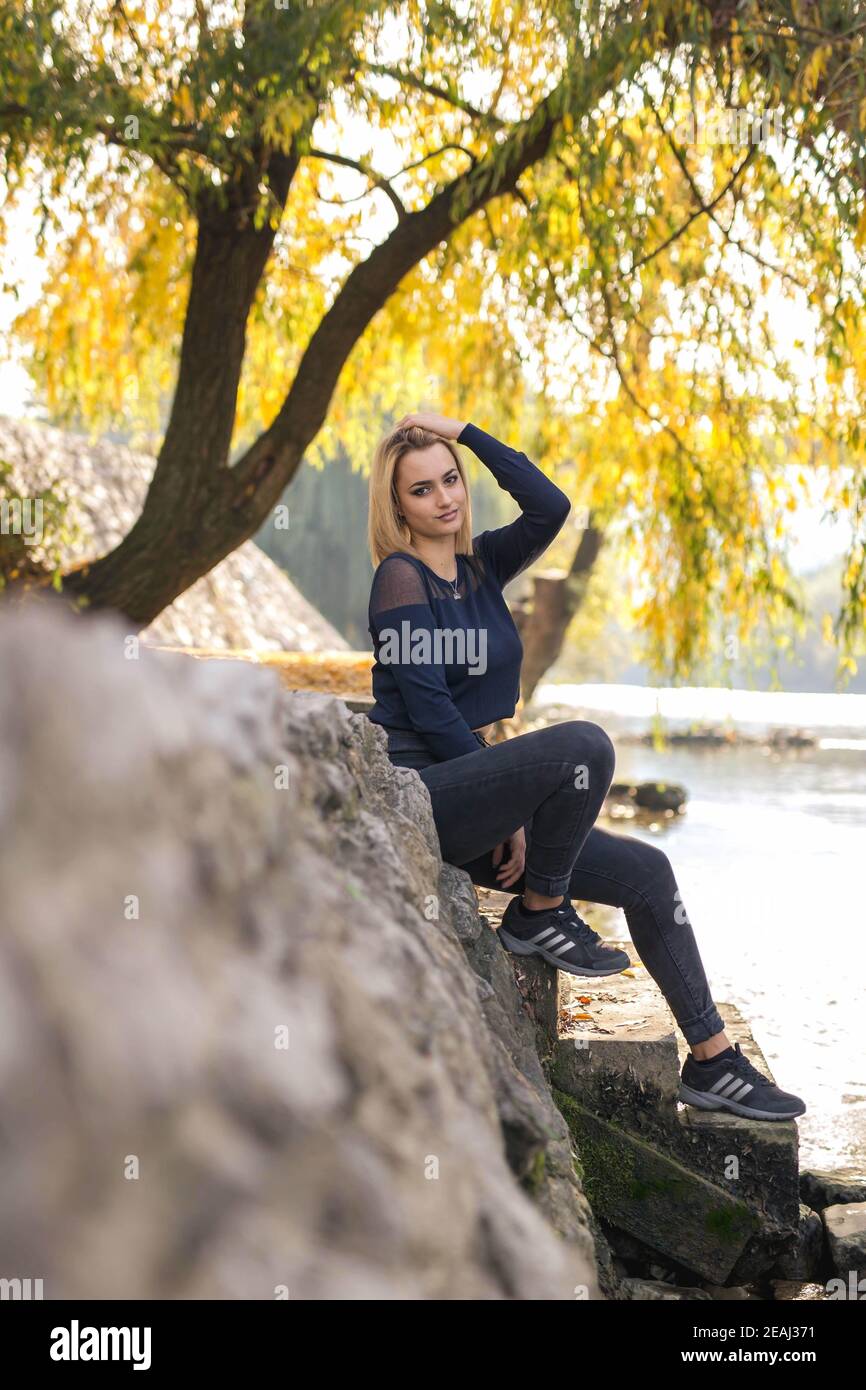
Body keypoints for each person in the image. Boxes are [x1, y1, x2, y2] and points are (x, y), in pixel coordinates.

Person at [365, 409, 806, 1122]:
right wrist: (502, 811)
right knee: (584, 746)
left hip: (473, 785)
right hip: (422, 792)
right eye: (422, 490)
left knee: (648, 874)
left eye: (451, 480)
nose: (444, 498)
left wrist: (469, 433)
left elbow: (551, 506)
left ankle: (713, 1060)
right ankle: (540, 911)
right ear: (396, 505)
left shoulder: (482, 564)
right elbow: (426, 711)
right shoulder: (400, 579)